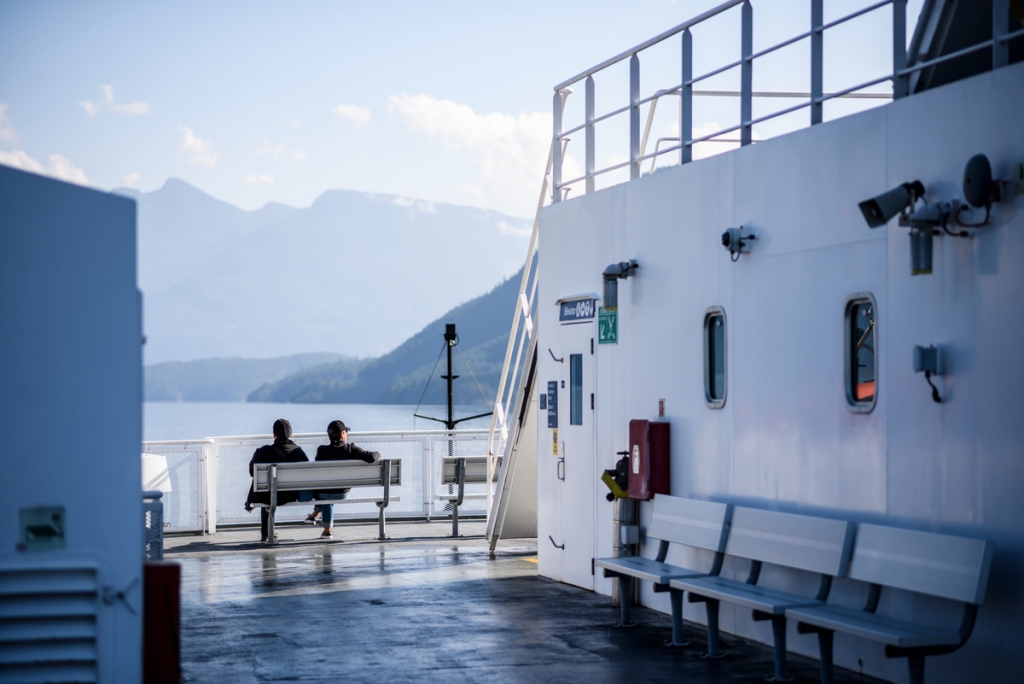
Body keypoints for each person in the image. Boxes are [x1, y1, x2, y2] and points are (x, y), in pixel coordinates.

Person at [303, 420, 381, 539]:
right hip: (343, 493)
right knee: (327, 493)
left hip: (324, 493)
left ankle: (325, 527)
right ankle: (321, 524)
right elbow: (370, 457)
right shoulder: (351, 449)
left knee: (325, 492)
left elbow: (317, 472)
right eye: (346, 432)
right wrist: (378, 453)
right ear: (342, 434)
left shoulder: (322, 450)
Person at [245, 418, 309, 543]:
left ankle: (266, 533)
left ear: (274, 434)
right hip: (290, 495)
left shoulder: (262, 451)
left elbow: (252, 473)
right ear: (290, 434)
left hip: (267, 496)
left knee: (266, 489)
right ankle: (268, 532)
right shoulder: (298, 452)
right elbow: (305, 473)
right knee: (268, 489)